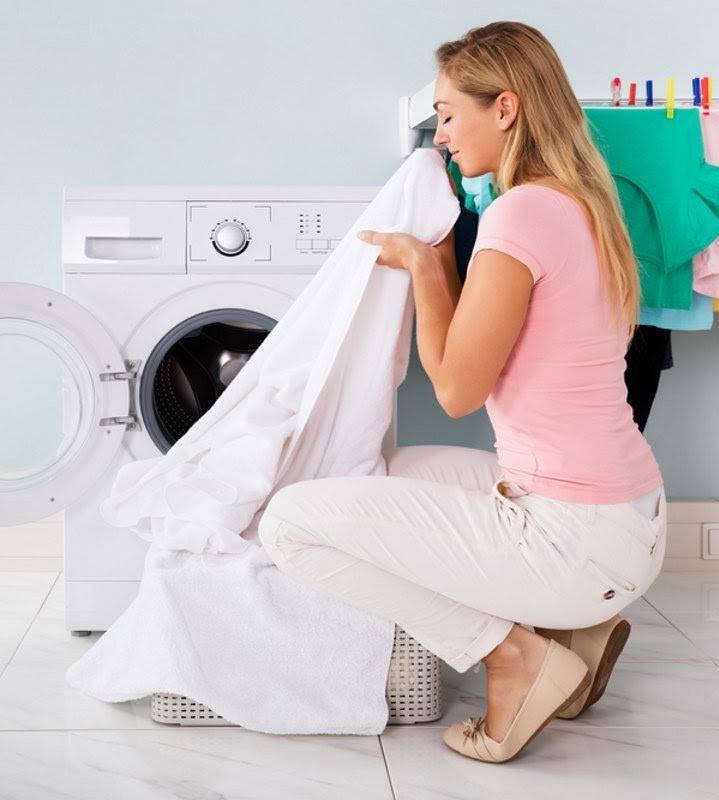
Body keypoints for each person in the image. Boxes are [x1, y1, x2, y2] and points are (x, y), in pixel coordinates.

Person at [257, 21, 666, 763]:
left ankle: (512, 655)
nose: (440, 137)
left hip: (578, 539)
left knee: (289, 525)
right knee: (385, 469)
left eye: (447, 114)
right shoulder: (579, 203)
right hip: (625, 512)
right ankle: (574, 633)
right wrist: (439, 256)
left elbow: (455, 389)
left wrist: (425, 265)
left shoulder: (522, 212)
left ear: (504, 108)